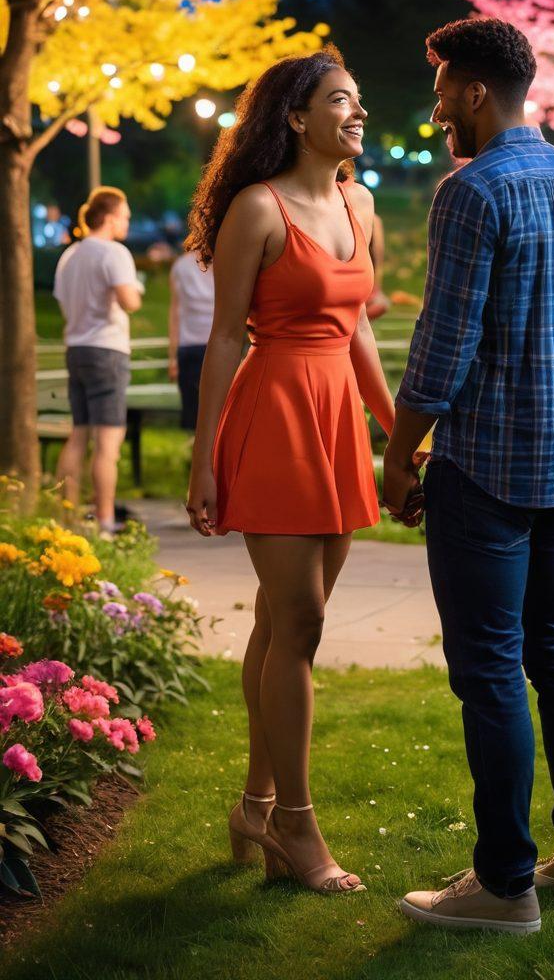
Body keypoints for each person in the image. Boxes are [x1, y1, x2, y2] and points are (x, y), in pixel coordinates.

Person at [383, 18, 554, 934]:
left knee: (489, 672)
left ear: (476, 92)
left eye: (445, 88)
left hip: (484, 472)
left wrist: (398, 455)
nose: (439, 105)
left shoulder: (471, 190)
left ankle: (505, 884)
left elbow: (441, 348)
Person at [185, 47, 403, 895]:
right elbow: (226, 339)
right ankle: (296, 828)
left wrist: (398, 435)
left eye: (357, 101)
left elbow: (358, 330)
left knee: (283, 627)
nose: (356, 114)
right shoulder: (257, 208)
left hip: (336, 423)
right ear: (297, 119)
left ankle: (253, 804)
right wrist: (204, 461)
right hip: (274, 417)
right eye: (339, 102)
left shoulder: (361, 202)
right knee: (302, 623)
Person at [53, 187, 143, 536]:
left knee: (78, 435)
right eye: (124, 216)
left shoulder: (70, 257)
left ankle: (67, 519)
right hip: (107, 351)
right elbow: (129, 301)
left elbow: (63, 302)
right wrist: (135, 288)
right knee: (108, 444)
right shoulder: (114, 253)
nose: (127, 222)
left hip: (76, 348)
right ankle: (105, 522)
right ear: (108, 217)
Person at [168, 249, 215, 430]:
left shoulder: (180, 266)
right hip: (219, 346)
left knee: (196, 422)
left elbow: (175, 314)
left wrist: (172, 356)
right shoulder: (226, 259)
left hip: (188, 348)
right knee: (221, 418)